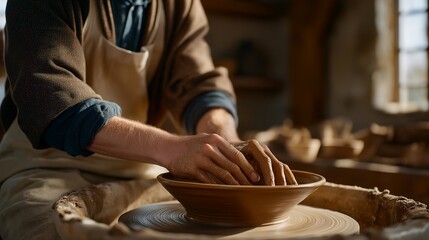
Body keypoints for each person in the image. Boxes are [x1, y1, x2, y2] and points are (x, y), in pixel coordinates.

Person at [0, 0, 297, 239]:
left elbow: (201, 87)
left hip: (137, 172)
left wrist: (227, 147)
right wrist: (172, 148)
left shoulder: (179, 5)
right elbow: (52, 96)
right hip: (45, 168)